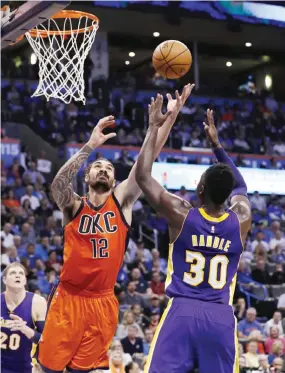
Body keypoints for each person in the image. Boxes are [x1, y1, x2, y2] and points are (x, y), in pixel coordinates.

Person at [37, 84, 194, 373]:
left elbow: (146, 163)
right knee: (47, 369)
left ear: (114, 180)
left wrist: (167, 119)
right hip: (68, 299)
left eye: (109, 169)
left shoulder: (122, 201)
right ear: (86, 178)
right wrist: (89, 147)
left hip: (103, 301)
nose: (103, 170)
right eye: (98, 167)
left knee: (84, 371)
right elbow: (57, 185)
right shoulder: (73, 205)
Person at [135, 105, 252, 373]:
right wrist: (217, 146)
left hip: (182, 312)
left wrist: (153, 126)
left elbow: (142, 176)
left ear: (200, 190)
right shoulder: (241, 220)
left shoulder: (182, 215)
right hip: (220, 316)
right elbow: (242, 187)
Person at [1, 262, 47, 373]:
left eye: (21, 273)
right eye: (13, 273)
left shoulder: (38, 302)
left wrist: (25, 329)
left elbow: (46, 339)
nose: (17, 275)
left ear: (25, 280)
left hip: (26, 368)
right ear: (4, 280)